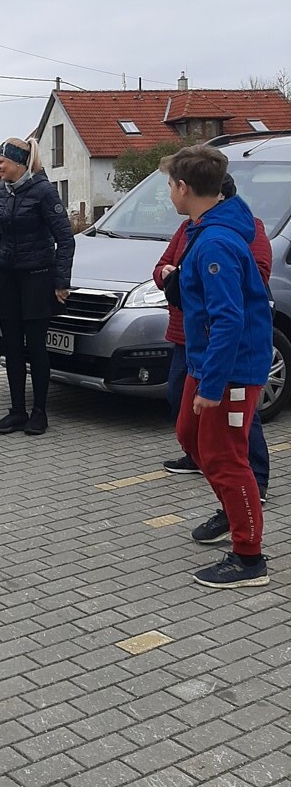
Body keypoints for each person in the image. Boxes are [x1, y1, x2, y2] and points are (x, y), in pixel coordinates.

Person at [163, 145, 272, 588]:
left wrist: (213, 385)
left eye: (169, 185)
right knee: (190, 436)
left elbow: (229, 319)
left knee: (226, 456)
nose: (169, 193)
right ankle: (232, 510)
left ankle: (249, 558)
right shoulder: (203, 229)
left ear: (184, 187)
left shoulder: (216, 243)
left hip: (230, 369)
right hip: (205, 361)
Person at [0, 137, 74, 437]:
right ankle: (17, 411)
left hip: (38, 276)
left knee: (35, 347)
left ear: (19, 164)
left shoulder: (43, 191)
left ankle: (39, 412)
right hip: (8, 277)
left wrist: (61, 281)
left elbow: (65, 239)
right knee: (11, 347)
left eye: (2, 162)